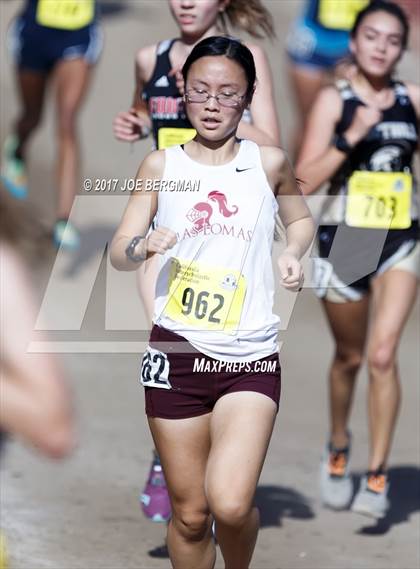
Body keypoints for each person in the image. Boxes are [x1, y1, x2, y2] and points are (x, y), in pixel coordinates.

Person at [111, 35, 314, 568]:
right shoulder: (159, 166)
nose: (213, 103)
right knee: (192, 514)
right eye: (200, 90)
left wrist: (293, 252)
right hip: (176, 352)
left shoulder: (267, 162)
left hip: (249, 354)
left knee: (230, 502)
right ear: (182, 91)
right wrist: (141, 244)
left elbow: (298, 218)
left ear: (248, 96)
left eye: (228, 93)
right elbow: (119, 250)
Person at [296, 0, 419, 519]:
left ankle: (377, 475)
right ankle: (340, 442)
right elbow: (302, 181)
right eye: (372, 36)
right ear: (354, 40)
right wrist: (351, 135)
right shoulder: (335, 101)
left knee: (384, 355)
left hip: (400, 237)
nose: (381, 47)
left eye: (392, 40)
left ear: (402, 48)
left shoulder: (413, 99)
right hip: (347, 238)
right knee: (349, 357)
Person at [1, 0, 103, 249]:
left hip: (78, 33)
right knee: (32, 116)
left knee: (67, 121)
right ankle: (17, 149)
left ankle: (64, 220)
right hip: (34, 31)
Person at [286, 0, 369, 157]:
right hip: (313, 42)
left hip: (356, 46)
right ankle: (293, 178)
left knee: (358, 122)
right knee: (308, 123)